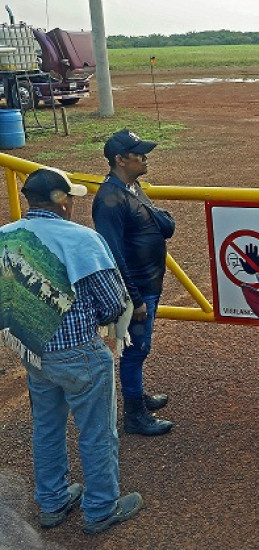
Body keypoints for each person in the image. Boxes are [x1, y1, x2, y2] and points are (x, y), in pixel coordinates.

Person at [0, 167, 143, 534]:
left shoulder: (5, 237)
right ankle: (100, 508)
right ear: (60, 201)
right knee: (96, 432)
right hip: (79, 352)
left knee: (46, 429)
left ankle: (52, 501)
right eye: (71, 198)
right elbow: (113, 304)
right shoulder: (82, 239)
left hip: (33, 353)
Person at [92, 129, 175, 436]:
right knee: (135, 349)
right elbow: (113, 254)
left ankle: (136, 396)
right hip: (135, 289)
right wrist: (134, 297)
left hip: (147, 283)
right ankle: (135, 415)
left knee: (138, 347)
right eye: (138, 153)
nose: (145, 157)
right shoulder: (110, 200)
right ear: (119, 159)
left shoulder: (131, 187)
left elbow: (164, 226)